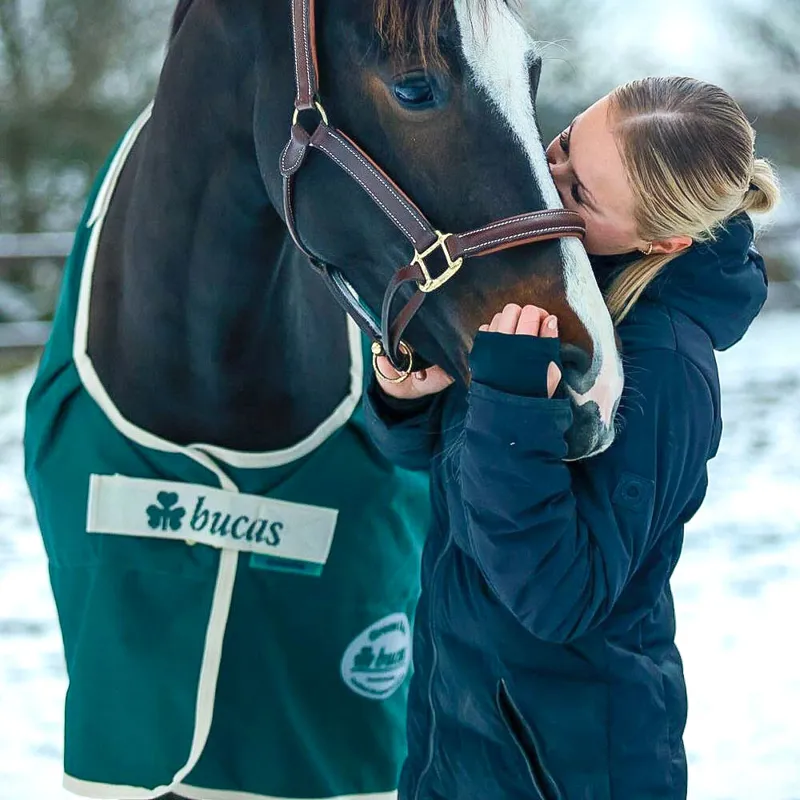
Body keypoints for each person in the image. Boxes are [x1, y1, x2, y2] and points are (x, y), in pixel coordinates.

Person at [363, 76, 780, 799]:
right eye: (558, 146)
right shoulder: (544, 275)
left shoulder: (666, 367)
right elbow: (449, 474)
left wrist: (511, 404)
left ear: (663, 240)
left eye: (580, 192)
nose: (544, 184)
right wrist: (403, 400)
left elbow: (561, 599)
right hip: (454, 733)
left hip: (565, 767)